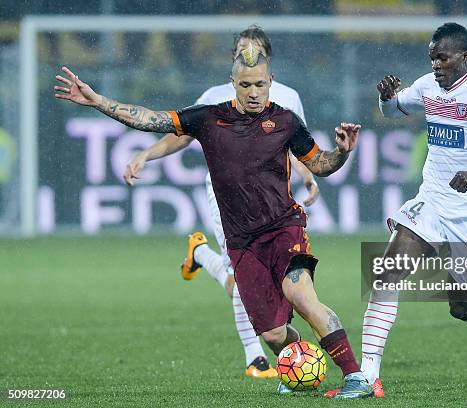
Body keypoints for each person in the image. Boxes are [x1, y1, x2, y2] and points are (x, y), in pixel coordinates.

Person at [54, 47, 373, 399]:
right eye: (246, 84)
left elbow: (319, 164)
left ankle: (355, 377)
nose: (254, 92)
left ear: (272, 82)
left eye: (261, 84)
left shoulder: (285, 121)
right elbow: (150, 119)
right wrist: (98, 101)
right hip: (242, 242)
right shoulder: (208, 118)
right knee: (271, 334)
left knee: (300, 293)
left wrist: (342, 152)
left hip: (284, 227)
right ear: (232, 83)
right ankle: (297, 362)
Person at [324, 23, 467, 398]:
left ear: (465, 57)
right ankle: (367, 377)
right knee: (386, 276)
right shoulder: (428, 86)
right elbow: (394, 109)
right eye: (432, 57)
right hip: (432, 202)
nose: (435, 64)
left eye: (442, 57)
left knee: (461, 306)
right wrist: (386, 99)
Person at [123, 25, 319, 379]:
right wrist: (146, 155)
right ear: (233, 58)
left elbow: (298, 143)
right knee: (243, 276)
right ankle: (256, 359)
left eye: (254, 50)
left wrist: (308, 176)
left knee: (270, 282)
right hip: (226, 198)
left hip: (274, 201)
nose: (247, 56)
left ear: (267, 61)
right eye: (241, 50)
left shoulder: (287, 96)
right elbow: (180, 135)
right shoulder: (215, 95)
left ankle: (199, 254)